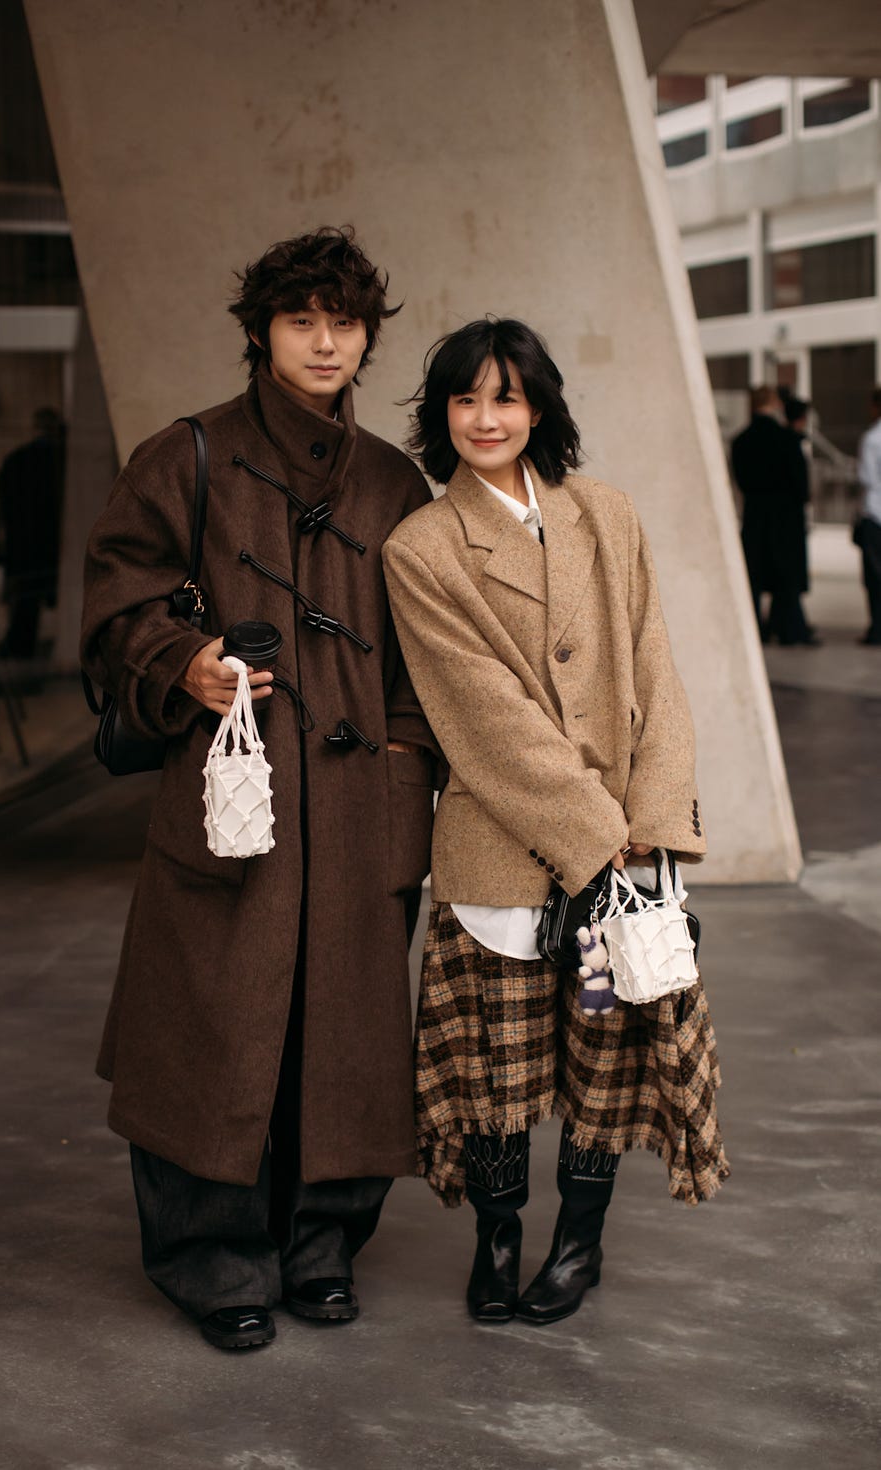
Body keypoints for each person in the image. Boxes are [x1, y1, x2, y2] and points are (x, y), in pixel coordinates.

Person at [80, 227, 437, 1352]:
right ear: (259, 332)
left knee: (342, 1032)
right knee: (213, 1026)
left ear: (367, 337)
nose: (324, 341)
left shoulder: (392, 480)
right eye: (301, 320)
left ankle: (321, 1248)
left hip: (357, 802)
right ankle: (212, 1259)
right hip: (228, 794)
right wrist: (179, 662)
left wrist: (404, 773)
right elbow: (114, 607)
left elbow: (434, 656)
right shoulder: (181, 457)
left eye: (343, 322)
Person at [382, 318, 727, 1327]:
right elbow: (482, 719)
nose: (486, 419)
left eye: (506, 397)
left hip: (628, 846)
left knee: (603, 1059)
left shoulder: (605, 516)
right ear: (440, 414)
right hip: (500, 850)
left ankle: (578, 1246)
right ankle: (496, 1237)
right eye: (465, 399)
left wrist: (651, 817)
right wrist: (592, 828)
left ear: (539, 408)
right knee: (499, 1062)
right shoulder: (421, 548)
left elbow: (656, 676)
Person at [731, 385, 817, 646]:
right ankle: (789, 630)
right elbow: (802, 487)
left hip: (755, 517)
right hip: (785, 521)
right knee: (785, 579)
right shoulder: (788, 439)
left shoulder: (741, 441)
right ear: (775, 404)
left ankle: (756, 630)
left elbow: (741, 481)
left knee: (754, 580)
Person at [0, 407, 66, 658]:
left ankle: (19, 645)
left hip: (26, 541)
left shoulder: (18, 459)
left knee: (26, 598)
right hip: (47, 538)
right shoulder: (60, 460)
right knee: (33, 596)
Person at [855, 387, 881, 646]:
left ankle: (878, 629)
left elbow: (866, 478)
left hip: (876, 512)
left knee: (875, 576)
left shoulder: (872, 438)